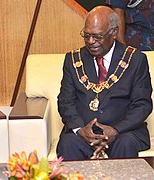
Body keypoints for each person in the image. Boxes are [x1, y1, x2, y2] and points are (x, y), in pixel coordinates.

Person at [57, 6, 152, 160]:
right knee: (68, 143)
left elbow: (142, 104)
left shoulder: (135, 60)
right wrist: (80, 130)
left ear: (114, 32)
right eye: (86, 35)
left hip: (123, 132)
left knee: (126, 143)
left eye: (97, 36)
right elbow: (65, 101)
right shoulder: (73, 60)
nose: (91, 41)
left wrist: (115, 129)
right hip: (83, 132)